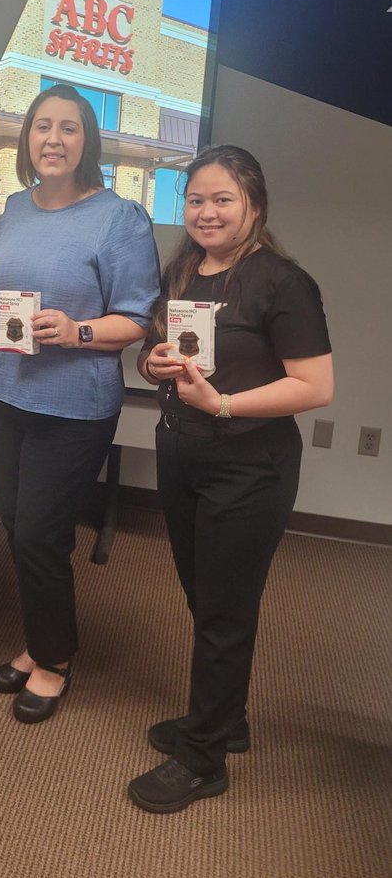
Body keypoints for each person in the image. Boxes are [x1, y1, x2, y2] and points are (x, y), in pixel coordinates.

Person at [127, 145, 333, 814]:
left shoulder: (282, 282)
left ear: (254, 205)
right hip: (183, 457)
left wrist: (222, 405)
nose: (207, 212)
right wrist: (153, 362)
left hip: (249, 469)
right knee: (206, 599)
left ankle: (204, 759)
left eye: (222, 200)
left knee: (222, 613)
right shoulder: (184, 270)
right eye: (196, 200)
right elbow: (158, 351)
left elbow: (314, 386)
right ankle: (225, 720)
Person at [0, 83, 160, 723]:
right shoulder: (15, 206)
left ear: (88, 142)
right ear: (27, 138)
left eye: (68, 128)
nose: (52, 139)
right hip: (8, 390)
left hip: (75, 402)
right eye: (41, 127)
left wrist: (79, 330)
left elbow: (139, 318)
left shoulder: (120, 218)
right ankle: (39, 642)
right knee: (14, 527)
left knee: (40, 533)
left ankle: (55, 661)